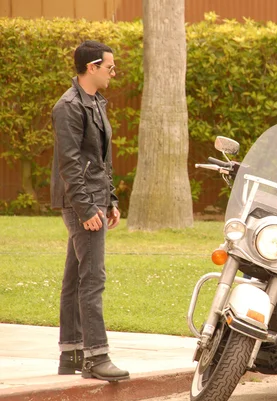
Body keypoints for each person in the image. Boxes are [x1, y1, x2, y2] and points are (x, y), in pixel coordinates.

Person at [50, 40, 129, 382]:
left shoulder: (95, 102)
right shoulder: (68, 107)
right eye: (110, 67)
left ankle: (71, 353)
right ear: (92, 67)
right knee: (93, 278)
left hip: (95, 198)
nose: (114, 73)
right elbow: (69, 164)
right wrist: (85, 208)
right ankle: (97, 356)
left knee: (75, 276)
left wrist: (109, 199)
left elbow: (100, 158)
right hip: (80, 200)